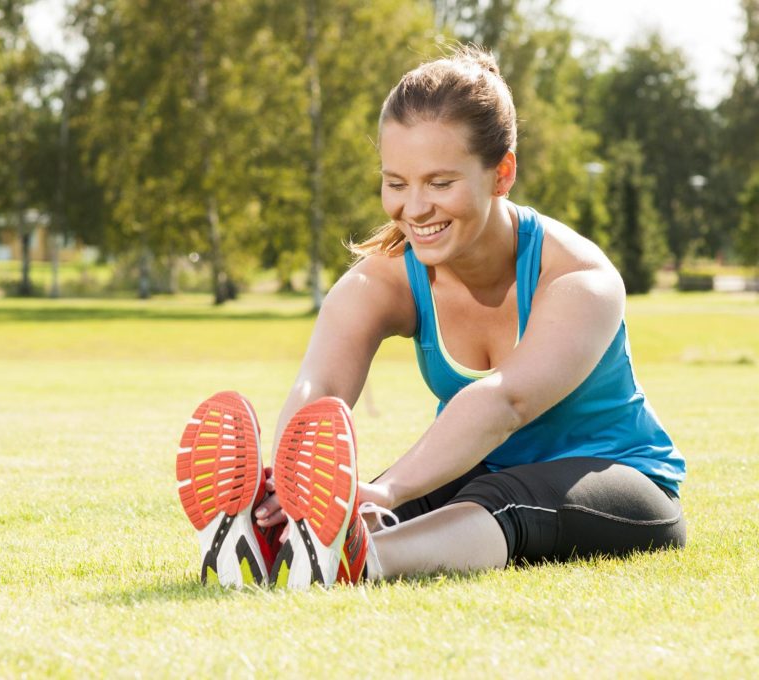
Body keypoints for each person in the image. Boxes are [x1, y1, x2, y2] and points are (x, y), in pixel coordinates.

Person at [175, 46, 686, 588]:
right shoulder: (386, 279)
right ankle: (276, 545)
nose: (415, 209)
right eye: (396, 183)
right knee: (383, 502)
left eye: (440, 183)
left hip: (622, 483)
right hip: (480, 471)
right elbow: (320, 383)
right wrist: (289, 478)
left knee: (488, 498)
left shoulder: (581, 279)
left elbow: (506, 401)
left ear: (501, 173)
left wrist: (390, 489)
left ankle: (362, 562)